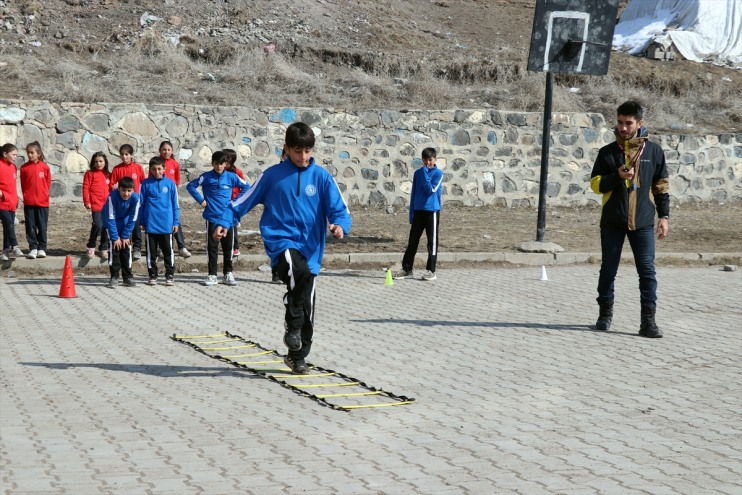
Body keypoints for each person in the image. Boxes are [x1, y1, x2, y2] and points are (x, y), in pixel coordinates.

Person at [217, 122, 351, 374]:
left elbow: (339, 209)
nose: (303, 157)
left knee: (308, 308)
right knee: (292, 266)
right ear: (286, 149)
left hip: (311, 248)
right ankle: (292, 322)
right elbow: (241, 202)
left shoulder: (322, 177)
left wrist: (340, 225)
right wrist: (225, 221)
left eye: (308, 151)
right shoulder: (272, 176)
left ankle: (297, 356)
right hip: (281, 242)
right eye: (298, 151)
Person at [589, 100, 669, 338]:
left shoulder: (653, 151)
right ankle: (604, 315)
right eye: (620, 122)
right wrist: (616, 176)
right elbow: (595, 185)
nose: (623, 128)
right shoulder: (607, 152)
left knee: (647, 272)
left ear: (640, 123)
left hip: (643, 222)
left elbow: (661, 187)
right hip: (613, 221)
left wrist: (664, 216)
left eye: (628, 123)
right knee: (608, 270)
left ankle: (648, 322)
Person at [187, 150, 249, 286]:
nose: (219, 167)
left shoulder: (232, 177)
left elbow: (247, 187)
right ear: (212, 163)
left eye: (222, 164)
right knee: (212, 247)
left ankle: (228, 273)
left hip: (228, 218)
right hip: (212, 217)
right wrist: (202, 201)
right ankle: (212, 275)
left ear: (226, 164)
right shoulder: (206, 177)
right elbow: (190, 186)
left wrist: (235, 202)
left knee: (229, 247)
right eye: (216, 164)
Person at [394, 147, 444, 281]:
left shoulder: (438, 174)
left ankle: (431, 270)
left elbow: (431, 190)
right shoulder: (418, 173)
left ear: (435, 159)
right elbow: (414, 194)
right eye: (425, 160)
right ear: (422, 160)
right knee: (412, 241)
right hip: (418, 211)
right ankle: (407, 268)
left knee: (431, 242)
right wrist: (412, 213)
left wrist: (425, 174)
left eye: (430, 160)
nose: (428, 162)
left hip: (431, 212)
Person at [139, 156, 180, 287]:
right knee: (151, 252)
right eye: (154, 169)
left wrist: (176, 222)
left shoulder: (170, 184)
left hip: (166, 224)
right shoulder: (145, 184)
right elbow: (141, 204)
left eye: (159, 169)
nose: (157, 172)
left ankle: (169, 274)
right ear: (150, 170)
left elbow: (175, 205)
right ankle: (152, 275)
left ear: (164, 169)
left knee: (168, 251)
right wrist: (142, 221)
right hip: (150, 224)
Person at [110, 144, 145, 260]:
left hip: (134, 202)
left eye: (127, 154)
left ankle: (137, 248)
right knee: (121, 222)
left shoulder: (138, 168)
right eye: (122, 154)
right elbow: (112, 184)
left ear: (131, 155)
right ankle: (121, 244)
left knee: (135, 222)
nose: (124, 157)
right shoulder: (116, 169)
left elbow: (143, 183)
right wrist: (114, 186)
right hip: (121, 202)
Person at [103, 176, 140, 288]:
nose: (126, 193)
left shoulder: (135, 198)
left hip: (125, 225)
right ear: (118, 189)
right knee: (114, 250)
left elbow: (133, 218)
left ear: (133, 190)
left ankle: (127, 277)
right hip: (112, 225)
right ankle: (114, 277)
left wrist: (125, 235)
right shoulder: (112, 197)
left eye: (129, 191)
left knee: (126, 249)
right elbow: (110, 217)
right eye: (123, 190)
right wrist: (115, 237)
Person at [157, 140, 191, 258]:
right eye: (164, 149)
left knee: (175, 221)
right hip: (160, 197)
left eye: (168, 150)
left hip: (171, 196)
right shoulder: (156, 163)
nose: (166, 152)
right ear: (160, 150)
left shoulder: (175, 164)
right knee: (161, 221)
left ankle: (182, 247)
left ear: (172, 151)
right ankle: (163, 248)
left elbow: (176, 180)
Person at [19, 141, 52, 259]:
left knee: (42, 226)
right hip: (29, 203)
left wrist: (43, 195)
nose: (29, 155)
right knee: (30, 226)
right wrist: (26, 196)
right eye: (28, 153)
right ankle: (33, 247)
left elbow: (47, 183)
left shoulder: (45, 167)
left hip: (43, 203)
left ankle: (42, 248)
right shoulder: (24, 168)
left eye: (32, 152)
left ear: (38, 153)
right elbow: (23, 184)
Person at [82, 151, 111, 259]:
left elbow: (112, 187)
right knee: (97, 225)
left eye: (101, 161)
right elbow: (86, 188)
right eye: (96, 162)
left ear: (105, 162)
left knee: (106, 226)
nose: (99, 164)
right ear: (93, 163)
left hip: (107, 205)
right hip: (96, 204)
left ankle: (104, 248)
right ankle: (91, 246)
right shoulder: (90, 174)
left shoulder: (108, 174)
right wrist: (87, 201)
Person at [0, 143, 23, 261]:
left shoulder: (13, 167)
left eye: (16, 155)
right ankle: (15, 246)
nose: (15, 157)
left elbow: (13, 185)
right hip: (2, 203)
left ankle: (5, 251)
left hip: (11, 202)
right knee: (9, 224)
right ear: (5, 154)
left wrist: (17, 198)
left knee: (8, 226)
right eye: (13, 155)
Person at [223, 148, 246, 257]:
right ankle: (226, 246)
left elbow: (245, 187)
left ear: (231, 160)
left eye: (226, 159)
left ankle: (235, 247)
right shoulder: (221, 171)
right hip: (223, 202)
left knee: (233, 226)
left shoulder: (237, 173)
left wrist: (237, 200)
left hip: (233, 202)